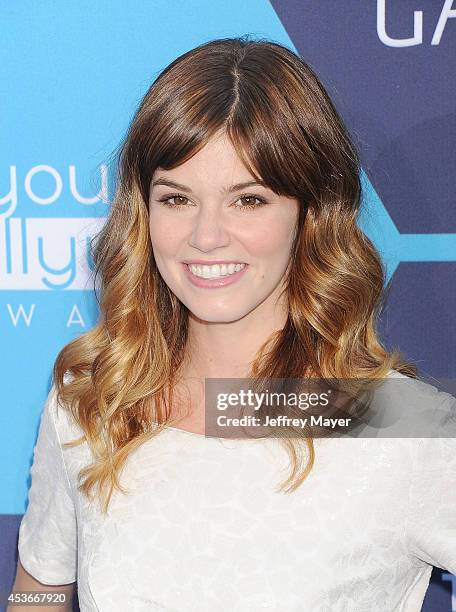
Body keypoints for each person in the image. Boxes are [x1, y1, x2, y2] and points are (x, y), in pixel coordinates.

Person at [9, 35, 456, 612]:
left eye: (248, 200)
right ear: (142, 212)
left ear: (310, 212)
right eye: (176, 199)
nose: (206, 236)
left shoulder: (396, 424)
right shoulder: (94, 397)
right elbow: (40, 587)